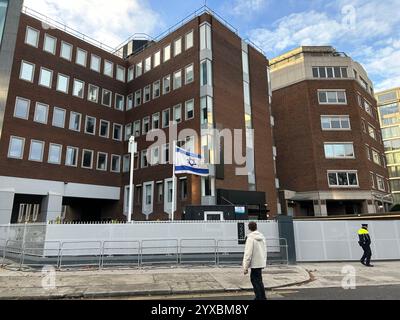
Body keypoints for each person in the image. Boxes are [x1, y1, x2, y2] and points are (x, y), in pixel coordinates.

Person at [242, 221, 267, 300]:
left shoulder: (250, 238)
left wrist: (245, 267)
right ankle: (263, 297)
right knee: (259, 281)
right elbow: (264, 250)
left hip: (254, 264)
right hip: (260, 263)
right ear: (256, 227)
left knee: (255, 281)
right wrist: (263, 261)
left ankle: (259, 297)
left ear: (249, 228)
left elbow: (248, 254)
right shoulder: (262, 237)